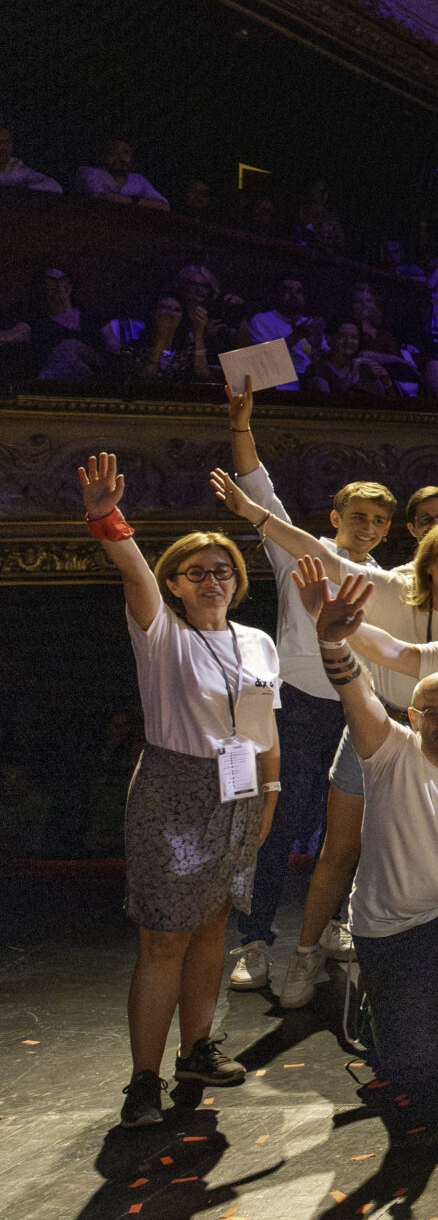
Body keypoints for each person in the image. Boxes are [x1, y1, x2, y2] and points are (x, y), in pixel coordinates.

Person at [79, 453, 281, 1127]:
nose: (212, 579)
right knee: (164, 938)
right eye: (196, 571)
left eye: (222, 569)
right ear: (174, 583)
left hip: (239, 788)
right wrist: (107, 516)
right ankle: (145, 1077)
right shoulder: (161, 632)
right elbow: (131, 568)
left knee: (213, 925)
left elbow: (262, 728)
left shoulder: (256, 642)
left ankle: (197, 1046)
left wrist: (270, 794)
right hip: (172, 789)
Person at [296, 567, 438, 1102]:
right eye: (432, 712)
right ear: (412, 716)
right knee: (418, 1070)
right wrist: (331, 637)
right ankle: (386, 1006)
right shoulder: (387, 750)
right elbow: (354, 686)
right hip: (391, 928)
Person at [220, 387, 397, 995]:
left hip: (360, 713)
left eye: (379, 521)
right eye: (359, 517)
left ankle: (333, 927)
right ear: (335, 518)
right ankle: (254, 939)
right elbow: (257, 489)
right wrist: (242, 425)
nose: (369, 527)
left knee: (352, 833)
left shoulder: (390, 580)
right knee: (278, 822)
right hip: (295, 708)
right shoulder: (300, 554)